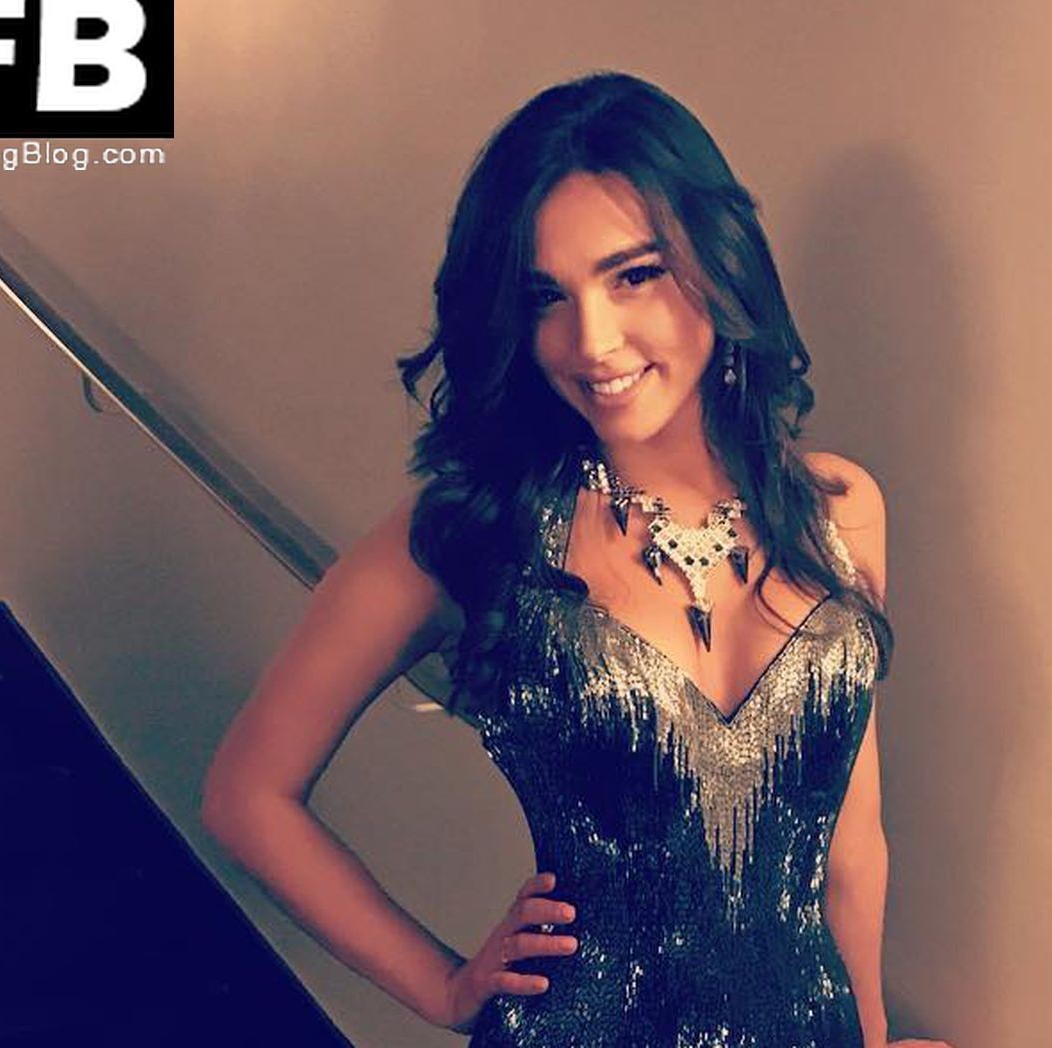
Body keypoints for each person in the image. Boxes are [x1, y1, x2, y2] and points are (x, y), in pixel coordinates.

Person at [201, 71, 947, 1047]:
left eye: (634, 275)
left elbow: (850, 851)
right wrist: (443, 986)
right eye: (546, 296)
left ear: (718, 263)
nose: (591, 341)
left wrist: (873, 1037)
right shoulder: (477, 531)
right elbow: (246, 796)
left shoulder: (839, 513)